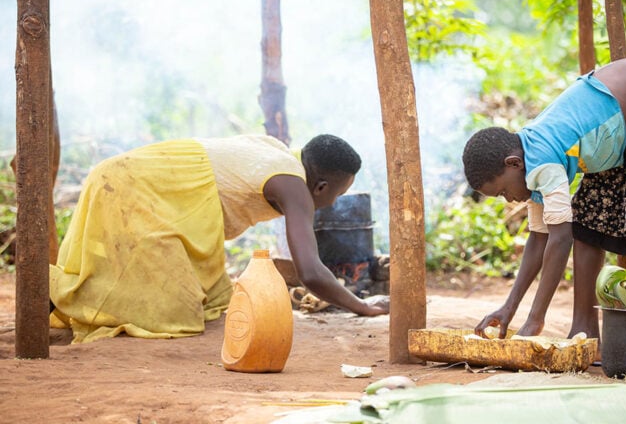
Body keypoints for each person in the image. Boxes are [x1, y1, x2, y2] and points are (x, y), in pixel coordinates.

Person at [462, 54, 626, 340]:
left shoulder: (543, 160)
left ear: (513, 163)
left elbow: (560, 239)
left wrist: (535, 320)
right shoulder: (529, 157)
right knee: (588, 223)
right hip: (623, 132)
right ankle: (585, 334)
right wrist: (509, 308)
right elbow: (539, 239)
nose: (509, 200)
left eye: (502, 191)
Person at [50, 133, 389, 343]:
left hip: (127, 177)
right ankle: (50, 297)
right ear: (321, 187)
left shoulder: (277, 154)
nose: (334, 203)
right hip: (135, 187)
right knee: (174, 317)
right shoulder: (294, 186)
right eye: (338, 194)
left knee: (207, 301)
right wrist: (362, 307)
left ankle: (56, 300)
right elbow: (310, 271)